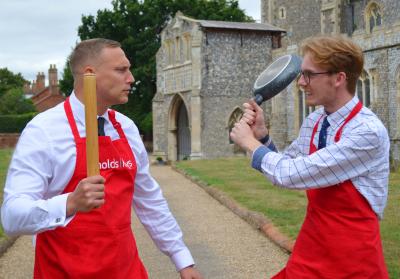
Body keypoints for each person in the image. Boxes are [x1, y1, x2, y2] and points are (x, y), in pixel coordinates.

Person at [1, 38, 203, 279]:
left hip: (126, 271)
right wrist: (70, 203)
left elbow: (149, 200)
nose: (131, 78)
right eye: (121, 70)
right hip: (63, 272)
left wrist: (182, 259)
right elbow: (12, 216)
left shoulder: (126, 128)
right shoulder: (43, 131)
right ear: (90, 74)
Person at [230, 35, 389, 278]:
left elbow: (289, 174)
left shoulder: (367, 132)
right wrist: (262, 137)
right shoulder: (315, 120)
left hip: (353, 260)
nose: (301, 83)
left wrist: (249, 143)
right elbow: (286, 169)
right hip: (311, 247)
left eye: (309, 75)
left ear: (338, 78)